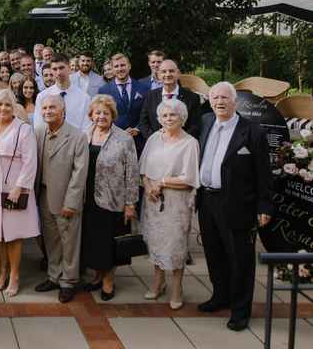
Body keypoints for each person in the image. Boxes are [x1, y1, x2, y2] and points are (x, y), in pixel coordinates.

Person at [196, 82, 272, 331]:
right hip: (207, 200)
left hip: (238, 204)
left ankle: (240, 310)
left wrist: (265, 206)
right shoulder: (206, 122)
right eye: (215, 97)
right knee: (214, 253)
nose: (220, 101)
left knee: (240, 259)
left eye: (225, 97)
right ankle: (220, 296)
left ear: (235, 101)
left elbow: (264, 173)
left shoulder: (253, 131)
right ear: (209, 100)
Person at [140, 99, 200, 310]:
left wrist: (162, 182)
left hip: (177, 203)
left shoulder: (190, 142)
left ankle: (177, 288)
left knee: (175, 246)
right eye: (164, 115)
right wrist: (149, 186)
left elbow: (190, 178)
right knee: (155, 242)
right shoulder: (154, 138)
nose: (168, 119)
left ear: (182, 117)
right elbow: (144, 171)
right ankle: (158, 282)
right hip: (153, 201)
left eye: (172, 115)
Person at [79, 94, 139, 300]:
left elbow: (132, 173)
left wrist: (130, 204)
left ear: (112, 115)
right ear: (91, 115)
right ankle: (97, 275)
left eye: (105, 113)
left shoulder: (124, 138)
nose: (101, 116)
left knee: (108, 242)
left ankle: (108, 281)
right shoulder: (84, 134)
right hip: (87, 198)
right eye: (97, 112)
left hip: (112, 199)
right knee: (93, 240)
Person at [0, 89, 39, 298]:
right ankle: (2, 273)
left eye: (7, 104)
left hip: (15, 188)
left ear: (14, 106)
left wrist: (19, 186)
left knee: (14, 234)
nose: (3, 108)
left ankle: (14, 276)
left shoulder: (24, 129)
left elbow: (30, 161)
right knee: (0, 234)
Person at [33, 93, 89, 303]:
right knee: (51, 239)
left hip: (66, 198)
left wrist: (72, 202)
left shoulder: (77, 136)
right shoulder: (39, 132)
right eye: (45, 108)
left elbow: (79, 173)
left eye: (52, 108)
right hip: (44, 195)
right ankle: (53, 276)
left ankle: (69, 281)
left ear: (63, 110)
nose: (47, 112)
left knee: (69, 242)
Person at [139, 59, 202, 140]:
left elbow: (195, 125)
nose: (167, 74)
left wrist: (178, 140)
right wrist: (155, 139)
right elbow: (143, 122)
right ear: (158, 75)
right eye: (164, 71)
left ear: (178, 73)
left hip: (182, 145)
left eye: (171, 71)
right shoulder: (150, 96)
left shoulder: (192, 97)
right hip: (156, 144)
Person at [98, 53, 149, 151]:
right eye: (116, 66)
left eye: (123, 65)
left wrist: (138, 129)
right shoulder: (104, 91)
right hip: (113, 141)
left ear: (129, 66)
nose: (120, 69)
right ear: (112, 69)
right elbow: (102, 116)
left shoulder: (143, 88)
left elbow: (147, 113)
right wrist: (118, 132)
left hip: (139, 142)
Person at [34, 53, 91, 131]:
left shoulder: (84, 98)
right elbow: (38, 126)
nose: (58, 72)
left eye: (61, 68)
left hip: (76, 141)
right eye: (54, 69)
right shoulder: (42, 96)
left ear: (69, 68)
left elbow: (86, 127)